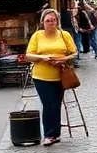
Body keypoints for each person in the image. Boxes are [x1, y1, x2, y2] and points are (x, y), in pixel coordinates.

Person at [24, 10, 78, 146]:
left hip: (60, 75)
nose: (51, 23)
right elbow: (28, 55)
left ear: (57, 21)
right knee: (48, 104)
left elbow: (74, 54)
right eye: (48, 20)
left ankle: (56, 133)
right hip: (41, 76)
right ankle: (49, 134)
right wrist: (43, 58)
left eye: (53, 20)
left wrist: (63, 59)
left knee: (56, 104)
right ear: (43, 22)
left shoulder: (64, 35)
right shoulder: (37, 36)